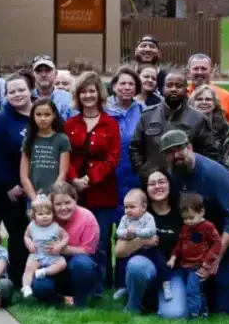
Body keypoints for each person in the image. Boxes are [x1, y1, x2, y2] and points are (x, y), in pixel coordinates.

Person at [160, 129, 229, 314]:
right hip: (206, 239)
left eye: (179, 149)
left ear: (189, 147)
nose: (175, 156)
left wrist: (216, 258)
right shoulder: (175, 173)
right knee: (206, 298)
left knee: (222, 307)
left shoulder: (214, 174)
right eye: (170, 153)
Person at [64, 71, 120, 294]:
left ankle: (97, 288)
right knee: (73, 237)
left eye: (92, 91)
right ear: (78, 95)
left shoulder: (110, 124)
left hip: (102, 191)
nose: (88, 95)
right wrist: (74, 179)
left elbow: (113, 158)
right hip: (74, 191)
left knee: (100, 240)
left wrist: (90, 178)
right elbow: (64, 154)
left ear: (99, 94)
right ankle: (74, 285)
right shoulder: (70, 124)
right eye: (83, 92)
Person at [0, 72, 34, 284]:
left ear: (30, 90)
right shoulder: (0, 122)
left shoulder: (42, 113)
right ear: (5, 95)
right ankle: (16, 279)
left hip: (41, 187)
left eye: (21, 89)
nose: (18, 94)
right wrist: (8, 185)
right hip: (13, 192)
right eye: (12, 91)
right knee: (19, 236)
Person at [117, 168, 186, 316]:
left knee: (174, 315)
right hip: (146, 268)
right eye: (152, 183)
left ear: (169, 184)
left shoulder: (181, 212)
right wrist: (142, 240)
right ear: (146, 189)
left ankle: (155, 300)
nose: (157, 186)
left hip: (172, 272)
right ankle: (134, 305)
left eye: (161, 182)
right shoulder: (135, 213)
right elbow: (119, 252)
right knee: (137, 265)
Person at [129, 68, 217, 176]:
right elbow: (135, 147)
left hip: (186, 182)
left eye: (178, 86)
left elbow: (209, 154)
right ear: (162, 88)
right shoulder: (147, 115)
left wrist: (197, 176)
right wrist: (143, 172)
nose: (173, 89)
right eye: (169, 85)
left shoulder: (198, 119)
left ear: (186, 90)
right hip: (154, 182)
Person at [29, 182, 98, 308]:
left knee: (82, 263)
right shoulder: (45, 216)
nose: (63, 208)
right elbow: (31, 236)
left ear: (75, 200)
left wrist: (63, 248)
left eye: (67, 202)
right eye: (58, 204)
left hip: (77, 265)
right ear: (52, 205)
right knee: (40, 287)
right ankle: (60, 299)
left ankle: (80, 301)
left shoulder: (88, 218)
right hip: (50, 263)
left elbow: (88, 251)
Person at [187, 53, 229, 183]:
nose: (200, 72)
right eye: (196, 68)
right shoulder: (181, 96)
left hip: (219, 165)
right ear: (189, 71)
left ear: (211, 71)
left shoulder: (226, 96)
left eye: (204, 68)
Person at [167, 193, 222, 319]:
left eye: (191, 218)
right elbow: (179, 244)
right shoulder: (185, 228)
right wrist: (173, 257)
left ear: (202, 212)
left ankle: (194, 314)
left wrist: (207, 263)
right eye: (185, 219)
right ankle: (204, 312)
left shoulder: (207, 227)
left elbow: (217, 243)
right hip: (185, 265)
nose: (188, 221)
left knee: (192, 289)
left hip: (198, 265)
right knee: (196, 289)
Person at [105, 66, 146, 223]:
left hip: (135, 176)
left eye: (131, 84)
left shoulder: (144, 111)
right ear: (114, 86)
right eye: (123, 83)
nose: (127, 87)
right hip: (109, 178)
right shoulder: (103, 110)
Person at [114, 189, 164, 300]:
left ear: (143, 207)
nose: (128, 210)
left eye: (132, 207)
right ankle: (123, 286)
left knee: (159, 260)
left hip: (148, 250)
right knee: (123, 263)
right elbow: (118, 232)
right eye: (126, 207)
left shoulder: (148, 217)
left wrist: (136, 232)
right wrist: (126, 234)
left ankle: (164, 283)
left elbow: (151, 232)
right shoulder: (125, 219)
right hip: (132, 249)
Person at [19, 195, 69, 299]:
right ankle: (26, 287)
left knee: (62, 263)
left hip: (52, 256)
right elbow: (26, 236)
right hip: (37, 255)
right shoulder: (32, 226)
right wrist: (29, 243)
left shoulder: (56, 227)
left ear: (53, 214)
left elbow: (66, 237)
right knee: (28, 268)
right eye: (40, 214)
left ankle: (43, 272)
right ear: (34, 216)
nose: (45, 216)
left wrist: (60, 246)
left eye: (48, 213)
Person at [20, 98, 70, 200]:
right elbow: (24, 175)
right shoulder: (28, 140)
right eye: (38, 115)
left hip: (56, 197)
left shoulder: (62, 139)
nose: (43, 118)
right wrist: (35, 199)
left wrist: (50, 197)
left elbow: (63, 173)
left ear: (54, 115)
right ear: (33, 116)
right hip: (33, 197)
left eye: (47, 114)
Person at [189, 84, 229, 176]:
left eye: (208, 99)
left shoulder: (226, 129)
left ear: (215, 103)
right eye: (199, 99)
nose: (204, 102)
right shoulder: (185, 127)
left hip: (216, 176)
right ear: (192, 102)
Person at [30, 55, 75, 120]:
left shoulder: (68, 99)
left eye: (48, 70)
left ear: (56, 73)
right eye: (39, 71)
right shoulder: (26, 98)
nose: (43, 75)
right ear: (33, 74)